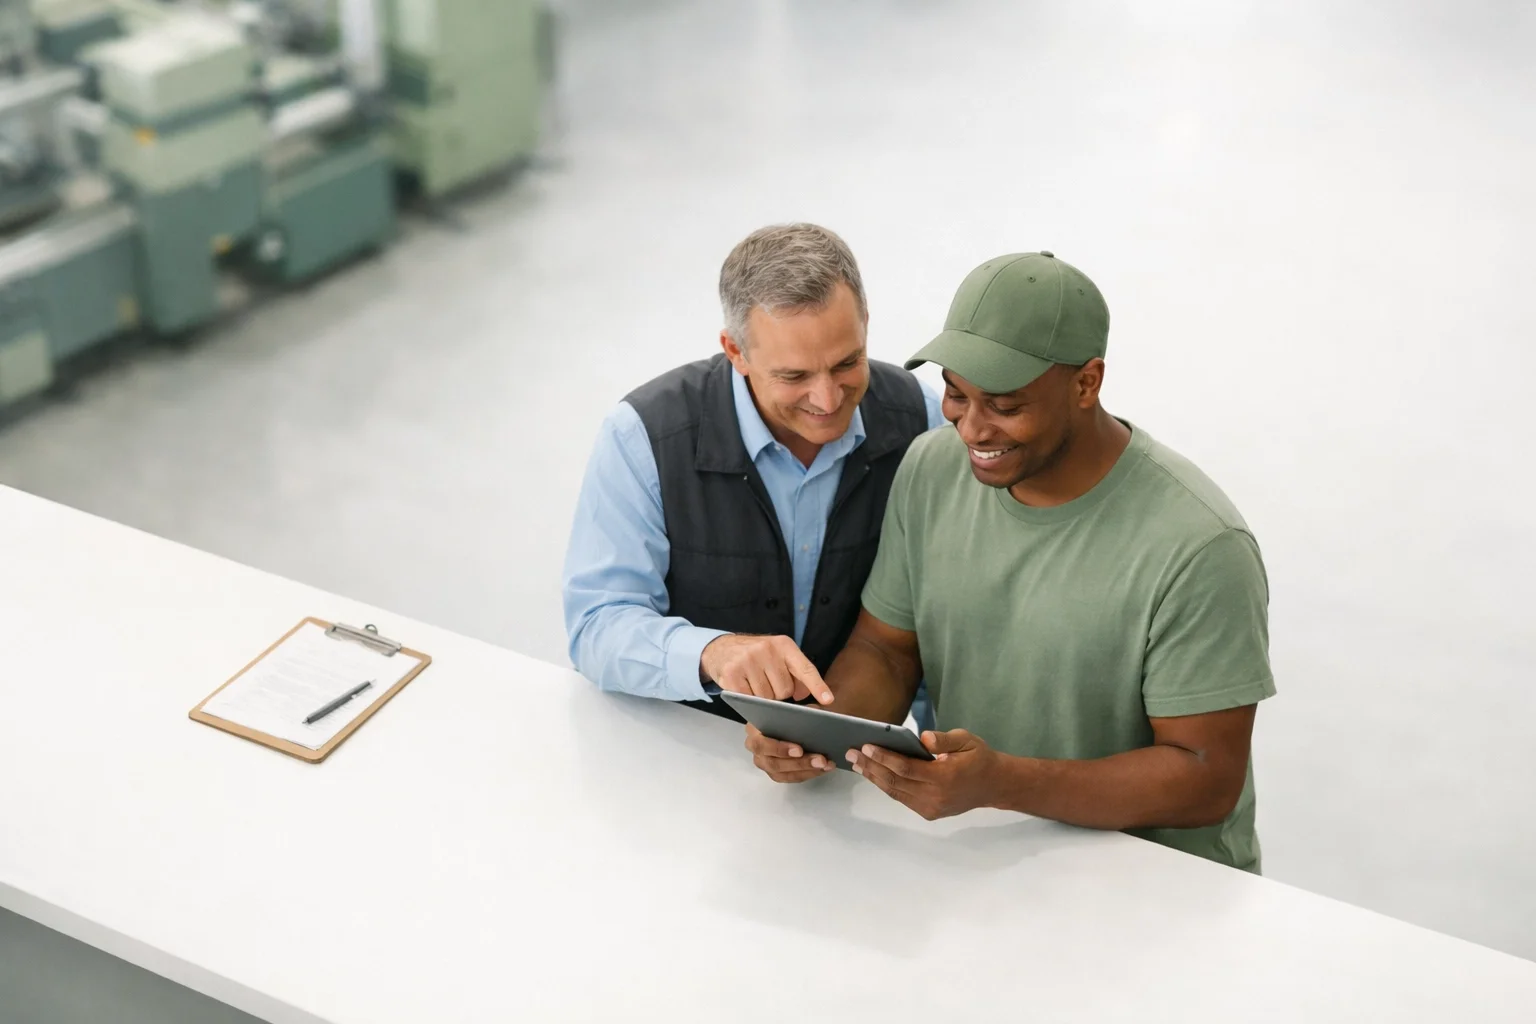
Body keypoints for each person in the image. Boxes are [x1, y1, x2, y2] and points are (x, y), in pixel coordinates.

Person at [744, 250, 1276, 873]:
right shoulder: (931, 468)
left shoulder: (1200, 546)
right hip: (990, 863)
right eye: (954, 394)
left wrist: (999, 783)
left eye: (1004, 404)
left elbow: (1204, 779)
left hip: (1156, 887)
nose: (971, 429)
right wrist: (817, 733)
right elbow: (887, 650)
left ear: (1086, 383)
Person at [562, 223, 946, 724]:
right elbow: (596, 625)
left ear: (866, 324)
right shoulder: (642, 437)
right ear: (735, 351)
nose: (828, 400)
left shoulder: (923, 421)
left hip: (847, 767)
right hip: (685, 754)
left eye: (847, 362)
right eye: (794, 376)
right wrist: (710, 653)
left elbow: (933, 621)